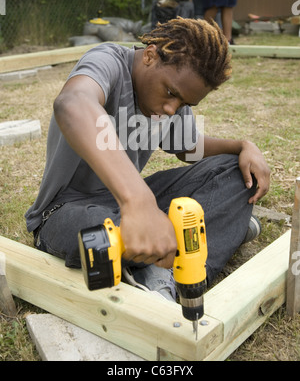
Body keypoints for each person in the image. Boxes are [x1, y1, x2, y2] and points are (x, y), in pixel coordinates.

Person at [25, 17, 270, 301]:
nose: (171, 109)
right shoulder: (108, 62)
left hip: (133, 206)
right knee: (105, 237)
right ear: (151, 56)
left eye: (184, 104)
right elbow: (72, 103)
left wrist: (242, 146)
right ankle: (206, 238)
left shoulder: (170, 101)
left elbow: (188, 148)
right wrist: (137, 201)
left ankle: (164, 265)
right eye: (171, 93)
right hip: (65, 211)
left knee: (235, 173)